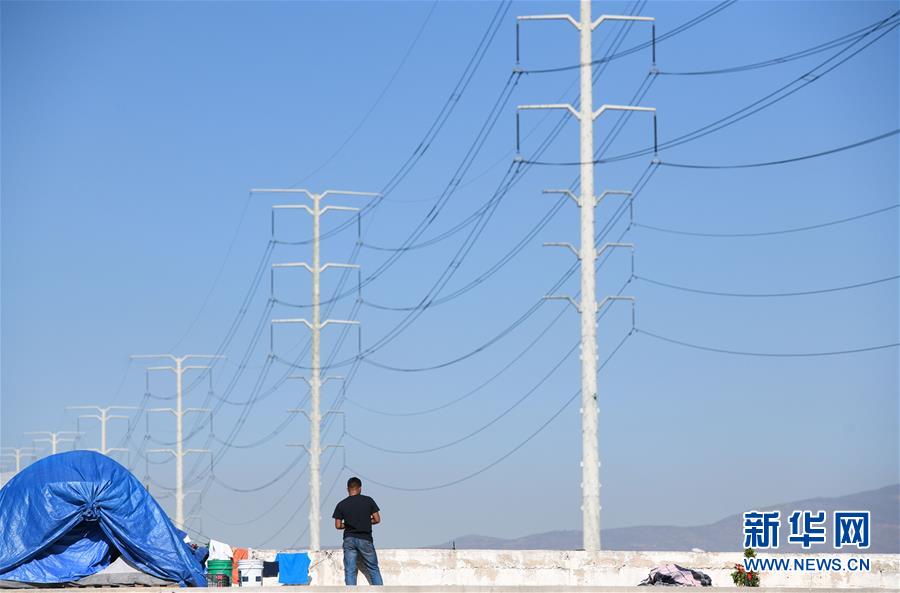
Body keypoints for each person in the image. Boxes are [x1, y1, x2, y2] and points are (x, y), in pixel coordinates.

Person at [332, 476, 383, 586]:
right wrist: (367, 522)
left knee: (350, 571)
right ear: (360, 488)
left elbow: (337, 525)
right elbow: (377, 519)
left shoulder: (341, 504)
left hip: (349, 539)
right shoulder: (368, 500)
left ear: (347, 489)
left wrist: (349, 525)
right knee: (373, 569)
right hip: (365, 539)